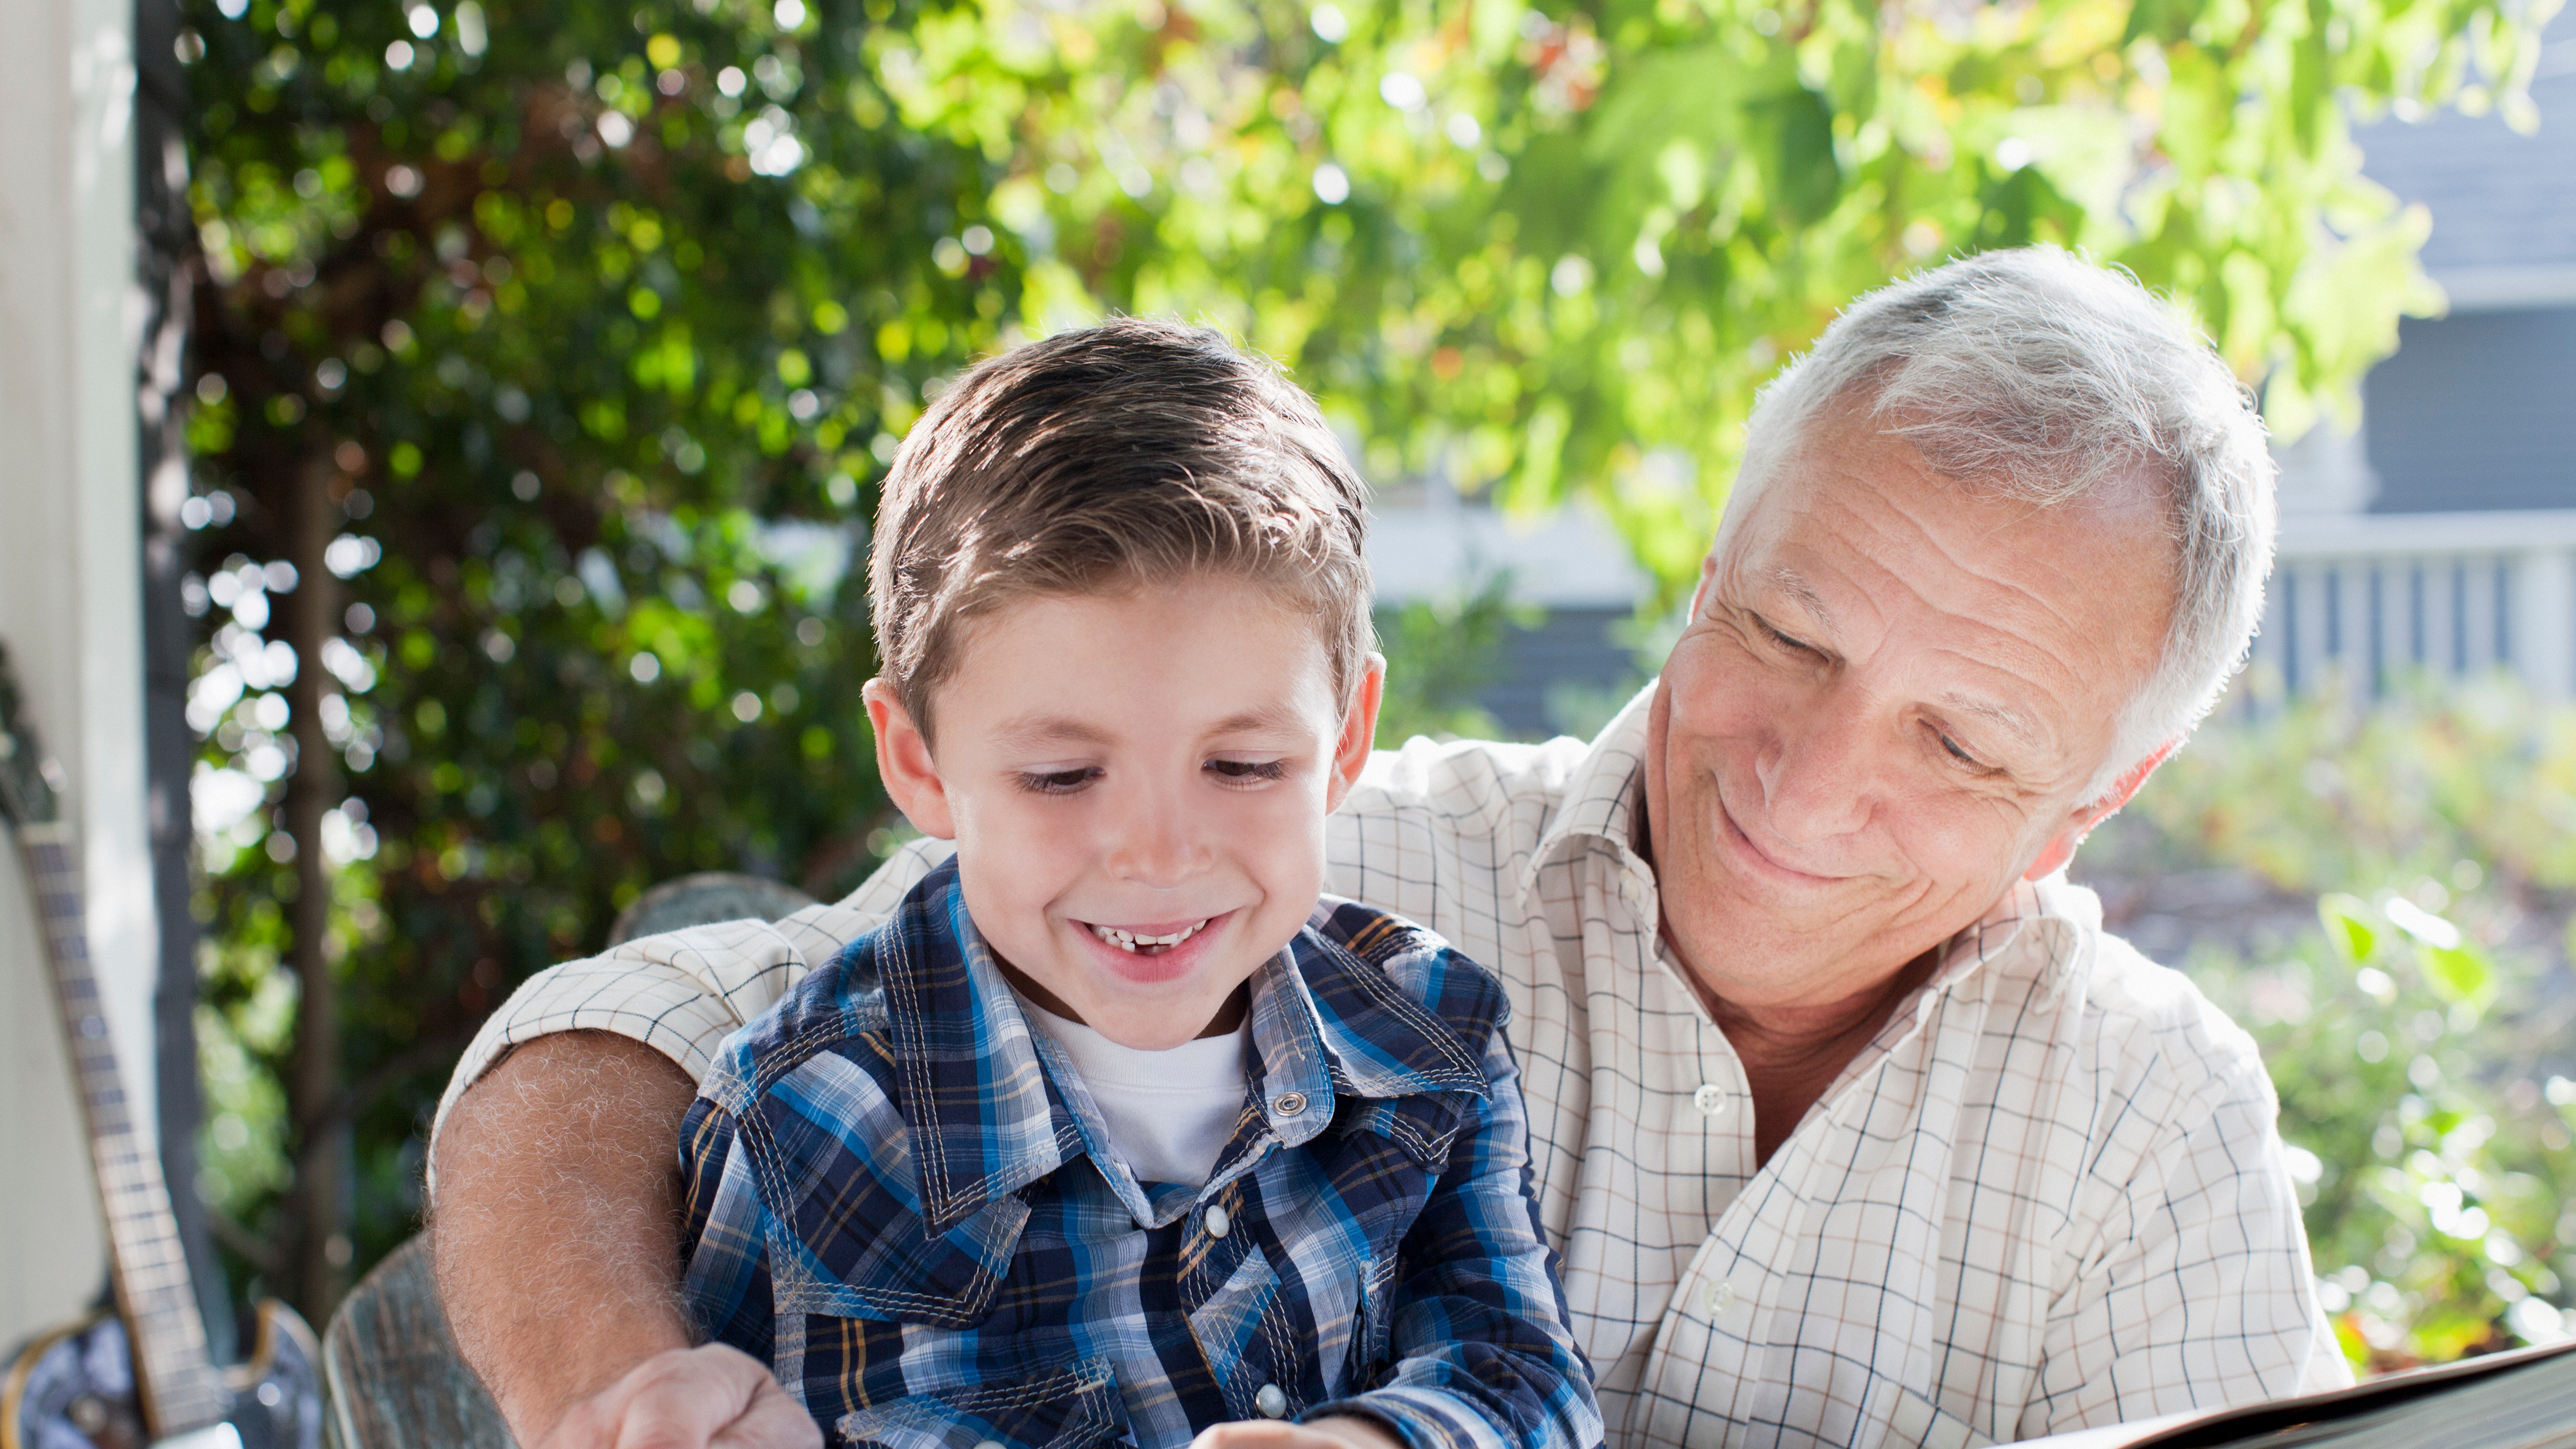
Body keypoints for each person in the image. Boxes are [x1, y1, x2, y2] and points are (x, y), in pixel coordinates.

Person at [431, 246, 2351, 1449]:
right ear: (1706, 572)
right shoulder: (1317, 872)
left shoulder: (2143, 1126)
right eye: (1791, 633)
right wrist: (633, 1391)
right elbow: (648, 1029)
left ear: (2100, 794)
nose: (1813, 778)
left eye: (1960, 737)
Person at [661, 318, 1600, 1449]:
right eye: (1062, 776)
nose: (1158, 853)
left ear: (1347, 738)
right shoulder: (803, 1118)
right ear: (918, 760)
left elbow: (1518, 1370)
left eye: (1242, 765)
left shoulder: (1426, 1033)